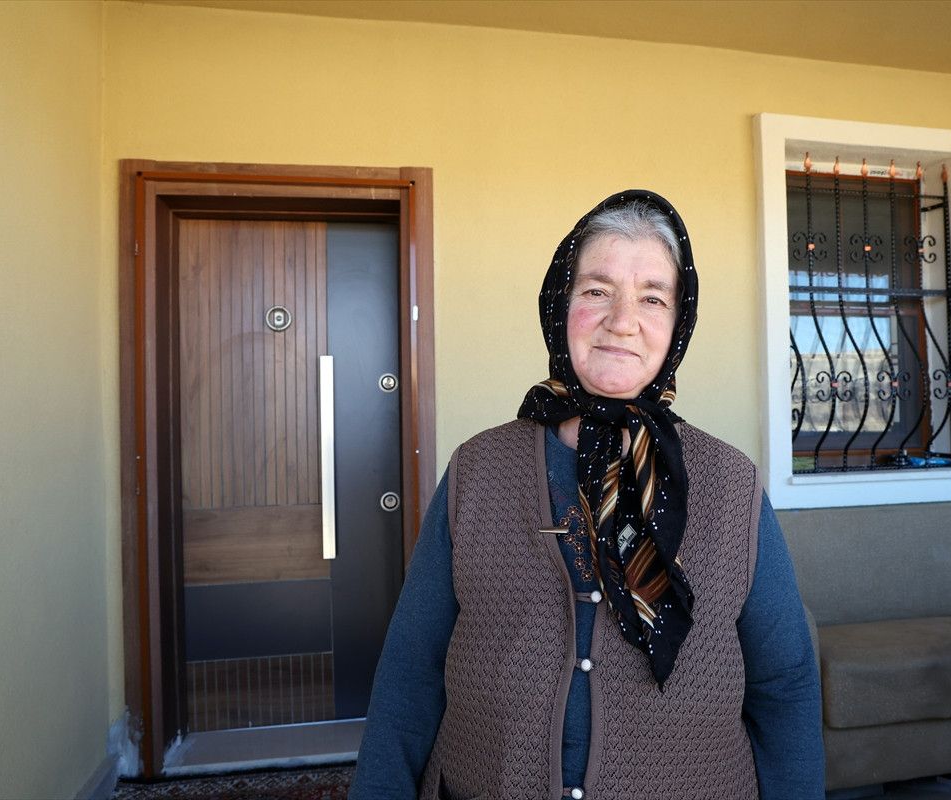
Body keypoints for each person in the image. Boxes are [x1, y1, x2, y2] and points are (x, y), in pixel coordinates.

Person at [350, 190, 824, 800]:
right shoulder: (478, 469)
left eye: (652, 298)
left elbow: (784, 684)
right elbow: (410, 673)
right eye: (597, 290)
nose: (623, 320)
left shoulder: (732, 484)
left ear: (677, 324)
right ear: (560, 304)